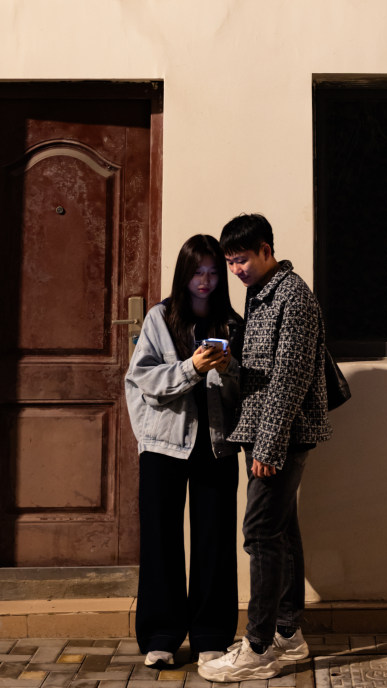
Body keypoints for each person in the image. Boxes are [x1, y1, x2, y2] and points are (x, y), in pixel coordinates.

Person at [199, 214, 333, 682]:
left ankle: (257, 646)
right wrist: (232, 361)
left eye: (241, 259)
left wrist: (270, 446)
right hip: (264, 431)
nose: (235, 270)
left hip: (280, 436)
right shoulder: (261, 294)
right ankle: (288, 635)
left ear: (266, 249)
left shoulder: (292, 297)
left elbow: (290, 380)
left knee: (259, 534)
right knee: (280, 533)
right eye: (230, 262)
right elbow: (265, 368)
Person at [125, 234, 244, 669]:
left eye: (214, 273)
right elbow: (144, 381)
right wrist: (191, 367)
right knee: (160, 538)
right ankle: (161, 635)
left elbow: (243, 393)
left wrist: (229, 369)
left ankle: (211, 634)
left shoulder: (230, 320)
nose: (206, 281)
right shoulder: (160, 317)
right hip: (162, 444)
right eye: (199, 272)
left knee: (214, 538)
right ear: (184, 273)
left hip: (216, 444)